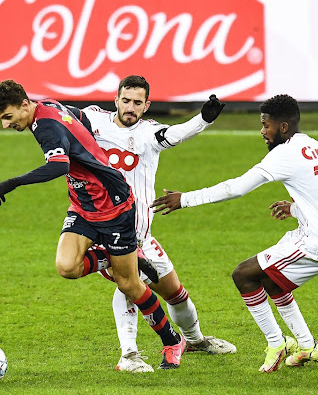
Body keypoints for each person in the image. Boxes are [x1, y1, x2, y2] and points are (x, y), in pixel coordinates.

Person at [0, 79, 186, 370]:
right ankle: (123, 257)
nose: (6, 125)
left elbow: (59, 166)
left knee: (128, 283)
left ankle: (171, 341)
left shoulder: (46, 128)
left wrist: (12, 182)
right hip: (83, 205)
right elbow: (78, 117)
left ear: (24, 105)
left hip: (113, 204)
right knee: (67, 267)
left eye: (7, 117)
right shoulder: (49, 106)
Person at [151, 94, 318, 373]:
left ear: (283, 127)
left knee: (244, 275)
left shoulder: (285, 154)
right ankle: (307, 346)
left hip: (317, 242)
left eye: (265, 124)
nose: (262, 131)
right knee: (272, 283)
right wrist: (297, 208)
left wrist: (185, 199)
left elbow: (236, 188)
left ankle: (276, 342)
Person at [75, 75, 236, 373]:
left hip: (142, 236)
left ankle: (196, 340)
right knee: (129, 283)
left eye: (138, 103)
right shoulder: (93, 120)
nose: (130, 108)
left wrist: (203, 119)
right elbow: (61, 117)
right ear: (116, 99)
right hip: (106, 230)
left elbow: (176, 134)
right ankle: (129, 355)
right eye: (126, 101)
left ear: (147, 105)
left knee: (175, 292)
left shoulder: (150, 134)